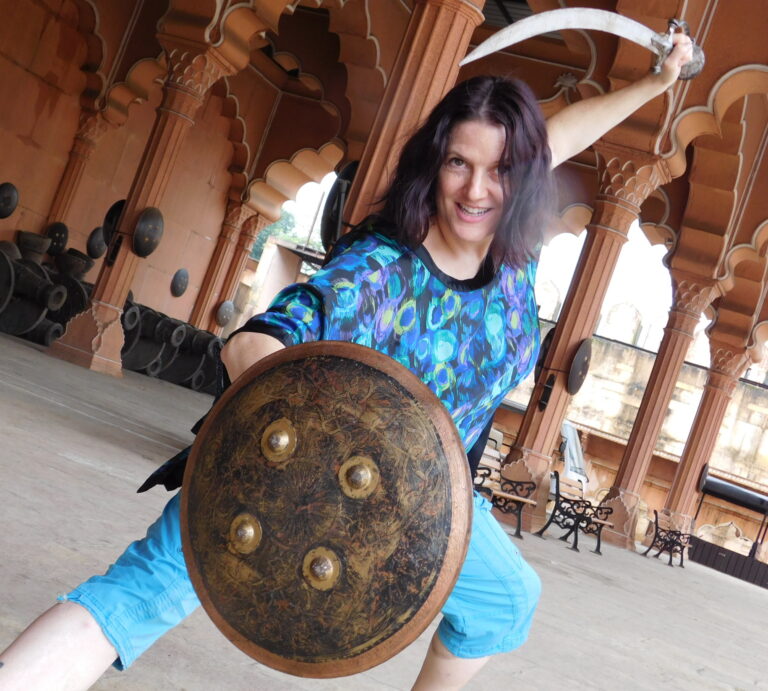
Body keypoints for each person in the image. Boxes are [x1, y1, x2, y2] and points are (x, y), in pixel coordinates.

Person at [1, 33, 693, 691]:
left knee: (506, 596)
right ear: (434, 165)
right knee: (140, 593)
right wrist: (284, 423)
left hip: (425, 493)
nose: (477, 189)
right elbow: (255, 340)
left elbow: (562, 134)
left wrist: (656, 81)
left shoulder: (513, 253)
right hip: (292, 468)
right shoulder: (381, 271)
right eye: (459, 162)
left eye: (500, 169)